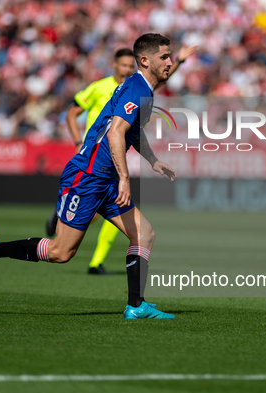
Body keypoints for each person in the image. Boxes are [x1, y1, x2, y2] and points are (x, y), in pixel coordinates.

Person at [0, 33, 180, 319]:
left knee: (144, 234)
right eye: (164, 57)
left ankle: (136, 305)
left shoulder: (142, 89)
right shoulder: (136, 89)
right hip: (88, 176)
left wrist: (152, 161)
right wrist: (125, 179)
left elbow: (130, 131)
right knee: (60, 252)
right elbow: (116, 133)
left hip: (104, 178)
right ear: (145, 60)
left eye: (171, 55)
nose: (170, 61)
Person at [46, 45, 196, 275]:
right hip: (93, 160)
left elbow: (157, 80)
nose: (126, 69)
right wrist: (78, 142)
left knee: (139, 231)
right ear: (115, 65)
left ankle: (121, 289)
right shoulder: (105, 87)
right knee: (63, 250)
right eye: (123, 65)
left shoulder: (138, 87)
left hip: (112, 162)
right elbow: (76, 114)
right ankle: (62, 216)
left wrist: (179, 61)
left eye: (129, 66)